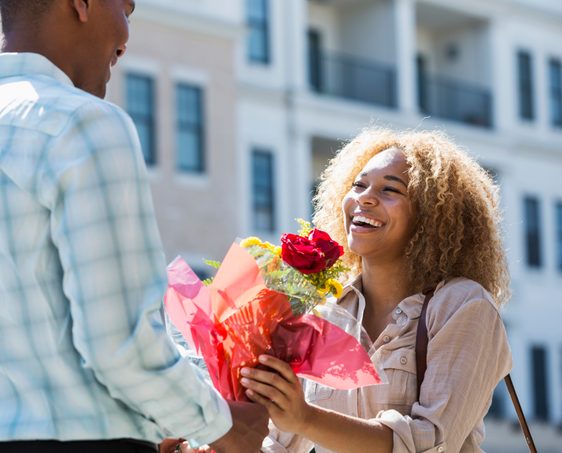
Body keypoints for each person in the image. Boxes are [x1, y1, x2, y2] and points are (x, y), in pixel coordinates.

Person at [0, 1, 267, 452]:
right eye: (126, 8)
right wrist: (226, 427)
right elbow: (122, 346)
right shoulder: (83, 124)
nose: (125, 38)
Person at [241, 129, 513, 453]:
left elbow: (431, 442)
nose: (364, 198)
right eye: (358, 185)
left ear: (429, 217)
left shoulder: (463, 305)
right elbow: (280, 443)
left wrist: (305, 418)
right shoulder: (324, 311)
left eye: (390, 190)